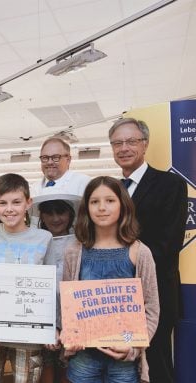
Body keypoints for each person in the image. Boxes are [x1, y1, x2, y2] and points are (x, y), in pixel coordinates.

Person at [109, 118, 188, 383]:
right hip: (116, 295)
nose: (124, 148)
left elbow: (168, 244)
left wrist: (121, 262)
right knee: (121, 364)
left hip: (155, 294)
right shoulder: (112, 190)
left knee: (156, 365)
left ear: (145, 144)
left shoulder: (170, 185)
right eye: (117, 143)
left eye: (131, 141)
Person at [60, 176, 160, 383]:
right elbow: (67, 305)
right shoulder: (74, 252)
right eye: (94, 201)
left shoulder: (139, 253)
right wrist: (69, 333)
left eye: (110, 201)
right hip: (84, 358)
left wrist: (134, 346)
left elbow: (151, 307)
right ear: (86, 208)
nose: (102, 208)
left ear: (123, 205)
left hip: (124, 359)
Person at [0, 173, 52, 383]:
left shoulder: (44, 238)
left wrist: (55, 326)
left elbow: (52, 287)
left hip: (30, 330)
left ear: (28, 203)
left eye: (16, 202)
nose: (9, 209)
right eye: (3, 203)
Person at [30, 192, 80, 383]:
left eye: (61, 212)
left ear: (70, 214)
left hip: (72, 318)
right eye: (49, 213)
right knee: (46, 366)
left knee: (69, 369)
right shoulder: (35, 241)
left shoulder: (80, 242)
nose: (56, 218)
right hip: (43, 315)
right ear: (41, 216)